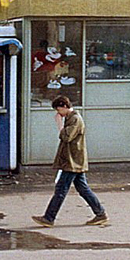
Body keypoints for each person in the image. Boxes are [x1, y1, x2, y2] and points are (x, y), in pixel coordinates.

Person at [32, 95, 108, 227]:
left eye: (58, 109)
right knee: (82, 188)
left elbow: (67, 137)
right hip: (73, 160)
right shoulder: (71, 118)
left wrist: (59, 125)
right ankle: (100, 214)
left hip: (73, 161)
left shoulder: (75, 119)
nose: (58, 113)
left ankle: (49, 218)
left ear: (65, 106)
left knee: (61, 189)